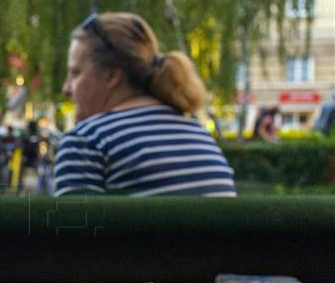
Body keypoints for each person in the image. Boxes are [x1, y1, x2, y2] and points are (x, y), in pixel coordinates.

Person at [54, 12, 236, 197]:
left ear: (111, 75)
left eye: (75, 73)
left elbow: (71, 226)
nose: (66, 88)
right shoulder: (201, 137)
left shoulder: (87, 143)